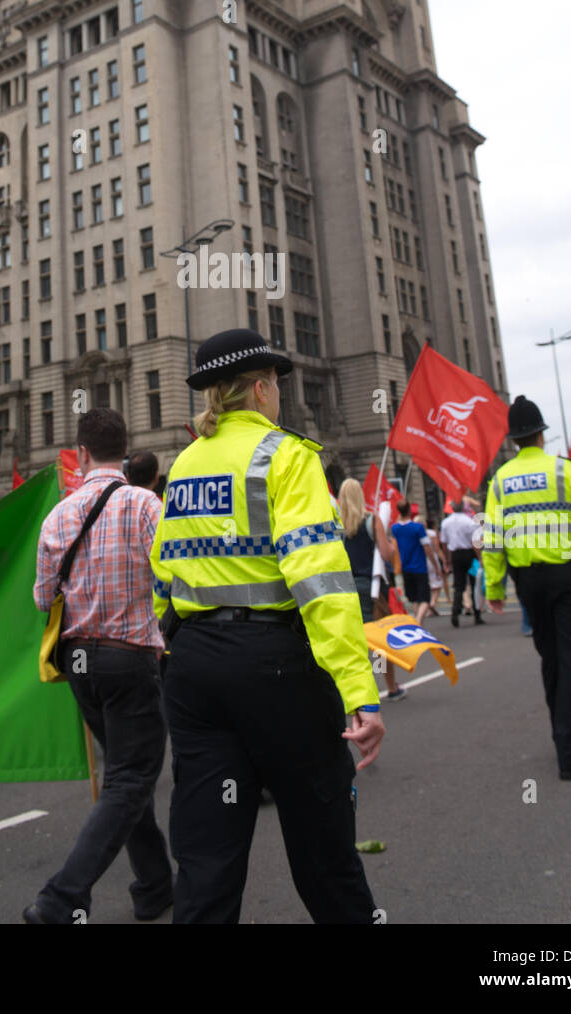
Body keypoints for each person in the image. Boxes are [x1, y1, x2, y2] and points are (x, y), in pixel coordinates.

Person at [153, 328, 384, 925]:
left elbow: (162, 574)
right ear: (260, 389)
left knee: (205, 860)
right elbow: (321, 582)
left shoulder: (183, 465)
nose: (277, 393)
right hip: (277, 665)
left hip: (195, 668)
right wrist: (359, 691)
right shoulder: (287, 456)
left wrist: (178, 644)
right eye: (276, 383)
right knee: (325, 852)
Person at [25, 408, 173, 924]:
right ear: (127, 452)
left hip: (79, 662)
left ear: (81, 453)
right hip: (130, 657)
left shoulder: (58, 515)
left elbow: (44, 597)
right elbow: (174, 577)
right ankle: (62, 898)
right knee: (132, 780)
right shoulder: (144, 504)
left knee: (125, 778)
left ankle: (155, 886)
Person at [482, 396, 571, 780]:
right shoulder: (566, 472)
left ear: (513, 440)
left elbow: (491, 538)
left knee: (551, 658)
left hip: (528, 584)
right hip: (566, 579)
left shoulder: (500, 481)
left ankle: (562, 733)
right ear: (541, 434)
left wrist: (493, 587)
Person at [338, 478, 405, 700]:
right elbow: (387, 554)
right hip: (372, 587)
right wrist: (390, 543)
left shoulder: (337, 527)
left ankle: (355, 691)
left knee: (354, 641)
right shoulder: (372, 520)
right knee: (378, 641)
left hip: (347, 588)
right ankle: (391, 687)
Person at [390, 501, 437, 626]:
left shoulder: (395, 528)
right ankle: (418, 621)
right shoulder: (418, 528)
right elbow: (427, 547)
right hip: (419, 566)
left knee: (414, 598)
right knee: (425, 599)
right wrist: (436, 565)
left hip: (405, 567)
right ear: (410, 510)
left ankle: (418, 622)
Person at [440, 499, 483, 627]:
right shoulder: (469, 522)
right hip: (469, 554)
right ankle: (477, 614)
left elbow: (444, 542)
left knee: (459, 585)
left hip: (455, 555)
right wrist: (479, 557)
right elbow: (475, 542)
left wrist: (447, 559)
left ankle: (455, 610)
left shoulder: (445, 523)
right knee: (474, 584)